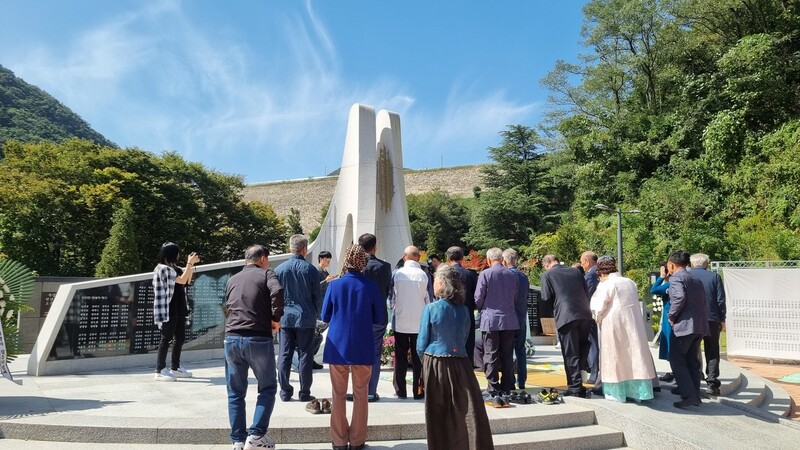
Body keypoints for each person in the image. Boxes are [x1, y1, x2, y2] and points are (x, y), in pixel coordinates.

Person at [417, 264, 494, 450]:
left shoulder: (431, 308)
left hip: (435, 362)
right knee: (467, 411)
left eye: (434, 280)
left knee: (438, 412)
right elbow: (466, 336)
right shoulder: (464, 310)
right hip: (461, 363)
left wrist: (425, 364)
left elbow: (420, 345)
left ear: (442, 283)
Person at [322, 244, 384, 450]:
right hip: (362, 344)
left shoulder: (334, 285)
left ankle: (339, 440)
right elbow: (380, 318)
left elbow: (325, 316)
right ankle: (357, 440)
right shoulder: (371, 286)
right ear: (362, 262)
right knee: (361, 394)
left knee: (338, 394)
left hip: (337, 345)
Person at [223, 244, 284, 450]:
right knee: (267, 387)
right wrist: (275, 319)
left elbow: (228, 305)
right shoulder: (268, 274)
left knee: (235, 392)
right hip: (258, 337)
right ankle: (256, 435)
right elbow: (278, 292)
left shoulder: (232, 279)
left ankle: (238, 440)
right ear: (263, 258)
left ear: (245, 260)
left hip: (231, 338)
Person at [590, 256, 656, 403]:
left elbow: (597, 306)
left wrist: (597, 317)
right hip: (632, 323)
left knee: (614, 355)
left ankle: (616, 392)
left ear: (601, 272)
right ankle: (638, 392)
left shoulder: (606, 284)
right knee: (634, 354)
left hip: (613, 323)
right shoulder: (630, 282)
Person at [275, 234, 321, 402]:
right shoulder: (311, 270)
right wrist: (318, 315)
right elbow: (317, 296)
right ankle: (304, 392)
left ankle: (285, 391)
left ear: (290, 248)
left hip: (285, 318)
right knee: (305, 355)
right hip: (306, 317)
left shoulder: (279, 269)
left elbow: (275, 296)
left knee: (284, 354)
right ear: (305, 249)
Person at [539, 254, 593, 398]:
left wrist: (554, 313)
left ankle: (575, 387)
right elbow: (586, 291)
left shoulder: (547, 275)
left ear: (547, 264)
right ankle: (579, 381)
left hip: (565, 316)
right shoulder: (575, 271)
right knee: (582, 348)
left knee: (570, 352)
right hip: (584, 313)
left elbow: (545, 298)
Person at [475, 247, 519, 401]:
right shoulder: (513, 275)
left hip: (490, 319)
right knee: (507, 354)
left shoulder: (485, 274)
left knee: (491, 353)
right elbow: (515, 296)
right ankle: (507, 386)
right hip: (509, 318)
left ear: (488, 260)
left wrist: (482, 309)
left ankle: (493, 387)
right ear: (502, 259)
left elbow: (478, 297)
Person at [667, 250, 709, 409]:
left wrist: (672, 316)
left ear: (671, 264)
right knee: (692, 361)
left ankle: (689, 395)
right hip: (699, 326)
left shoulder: (677, 278)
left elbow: (679, 297)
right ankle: (695, 394)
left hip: (684, 327)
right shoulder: (694, 278)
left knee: (677, 360)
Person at [152, 242, 199, 381]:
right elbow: (181, 279)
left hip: (180, 308)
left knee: (180, 338)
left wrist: (191, 265)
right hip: (168, 309)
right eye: (177, 253)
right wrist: (189, 264)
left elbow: (187, 280)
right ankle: (160, 370)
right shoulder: (162, 269)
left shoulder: (175, 268)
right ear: (172, 254)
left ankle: (175, 367)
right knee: (166, 339)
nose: (179, 255)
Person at [389, 245, 431, 399]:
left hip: (400, 321)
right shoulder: (424, 275)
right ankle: (418, 391)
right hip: (420, 323)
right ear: (418, 257)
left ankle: (400, 390)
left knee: (400, 358)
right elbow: (429, 300)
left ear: (404, 257)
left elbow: (390, 300)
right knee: (418, 358)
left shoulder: (396, 274)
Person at [359, 233, 393, 403]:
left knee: (358, 353)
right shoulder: (385, 267)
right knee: (374, 354)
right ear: (375, 247)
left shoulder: (356, 267)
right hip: (378, 315)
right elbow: (387, 291)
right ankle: (371, 391)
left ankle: (358, 390)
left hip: (359, 316)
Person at [689, 253, 727, 396]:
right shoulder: (714, 277)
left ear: (693, 264)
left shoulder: (687, 276)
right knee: (712, 350)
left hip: (692, 319)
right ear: (706, 264)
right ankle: (712, 382)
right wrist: (722, 318)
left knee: (692, 348)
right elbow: (720, 300)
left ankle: (694, 377)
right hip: (712, 318)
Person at [502, 248, 531, 391]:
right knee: (520, 350)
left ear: (504, 260)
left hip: (508, 318)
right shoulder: (523, 277)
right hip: (521, 316)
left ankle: (510, 380)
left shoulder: (505, 276)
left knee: (507, 351)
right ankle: (522, 381)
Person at [446, 246, 478, 366]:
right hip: (467, 314)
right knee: (468, 347)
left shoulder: (444, 274)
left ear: (448, 258)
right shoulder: (471, 275)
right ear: (462, 258)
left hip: (448, 315)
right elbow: (476, 296)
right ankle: (467, 376)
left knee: (449, 346)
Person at [580, 251, 601, 387]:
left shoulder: (591, 275)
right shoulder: (598, 273)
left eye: (582, 262)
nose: (582, 265)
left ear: (587, 261)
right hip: (598, 314)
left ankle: (594, 373)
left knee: (594, 345)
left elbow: (587, 295)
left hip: (592, 315)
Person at [651, 262, 674, 382]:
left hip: (669, 317)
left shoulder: (671, 283)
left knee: (671, 345)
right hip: (670, 316)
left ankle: (675, 372)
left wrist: (661, 277)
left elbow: (654, 289)